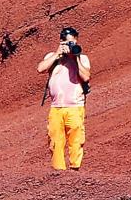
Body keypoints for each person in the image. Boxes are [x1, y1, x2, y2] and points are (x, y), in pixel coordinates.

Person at [36, 27, 91, 171]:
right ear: (61, 42)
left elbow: (86, 77)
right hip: (56, 107)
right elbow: (40, 69)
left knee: (76, 138)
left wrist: (76, 58)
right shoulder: (53, 56)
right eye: (68, 43)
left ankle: (75, 169)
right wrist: (57, 53)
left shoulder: (82, 58)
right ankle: (59, 171)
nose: (71, 45)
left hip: (75, 106)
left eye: (73, 41)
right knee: (55, 140)